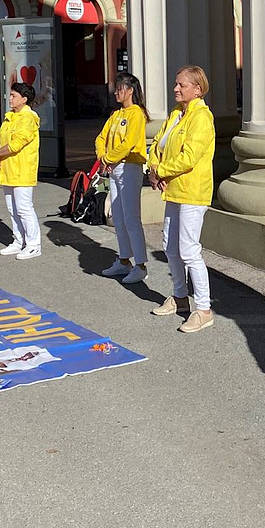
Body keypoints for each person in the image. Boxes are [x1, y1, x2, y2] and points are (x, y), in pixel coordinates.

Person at [148, 66, 216, 333]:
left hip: (192, 191)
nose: (176, 89)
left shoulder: (201, 117)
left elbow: (190, 156)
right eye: (176, 84)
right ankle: (179, 297)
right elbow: (157, 144)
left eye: (182, 85)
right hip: (173, 189)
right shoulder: (177, 113)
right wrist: (154, 169)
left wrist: (160, 171)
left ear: (197, 89)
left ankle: (204, 309)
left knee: (189, 249)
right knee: (169, 245)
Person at [95, 72, 150, 285]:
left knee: (131, 217)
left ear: (130, 90)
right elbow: (101, 137)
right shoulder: (116, 115)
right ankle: (124, 259)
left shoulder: (136, 114)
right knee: (117, 216)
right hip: (114, 167)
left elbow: (127, 144)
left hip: (129, 167)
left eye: (119, 88)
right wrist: (103, 157)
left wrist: (108, 158)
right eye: (116, 88)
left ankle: (141, 265)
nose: (116, 92)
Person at [0, 83, 42, 260]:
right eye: (10, 95)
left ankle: (33, 244)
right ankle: (19, 241)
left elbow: (16, 144)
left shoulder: (28, 117)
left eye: (13, 95)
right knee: (12, 208)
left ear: (24, 99)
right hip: (7, 169)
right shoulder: (10, 117)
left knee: (24, 208)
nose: (10, 98)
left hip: (22, 169)